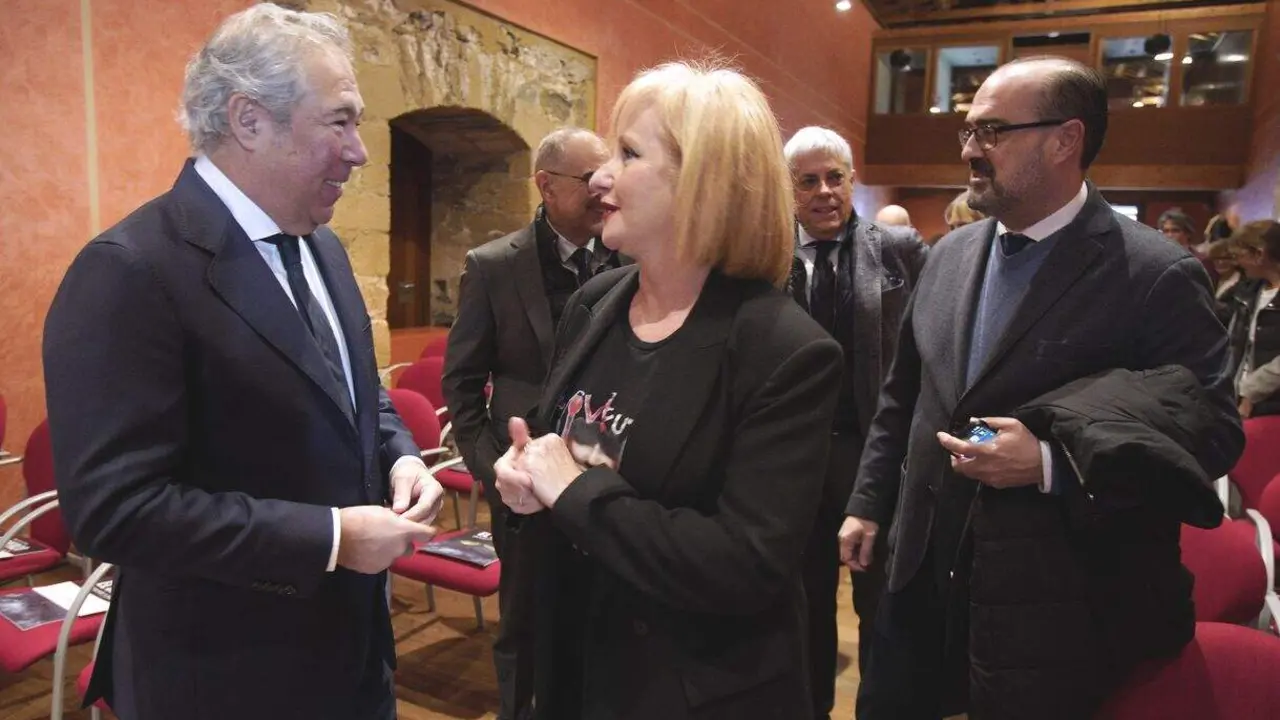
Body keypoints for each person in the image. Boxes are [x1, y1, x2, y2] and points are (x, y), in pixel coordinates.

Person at [41, 5, 445, 719]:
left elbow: (355, 394)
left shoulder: (322, 246)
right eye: (340, 121)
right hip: (223, 675)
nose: (359, 152)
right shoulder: (131, 269)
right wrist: (330, 538)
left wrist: (399, 455)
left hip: (352, 658)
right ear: (250, 120)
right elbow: (113, 510)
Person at [838, 56, 1241, 719]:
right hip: (919, 573)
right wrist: (869, 502)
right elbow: (902, 397)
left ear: (1064, 140)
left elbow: (1214, 433)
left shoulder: (1154, 273)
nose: (970, 149)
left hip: (1056, 603)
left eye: (991, 131)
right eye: (967, 131)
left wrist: (1055, 462)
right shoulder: (946, 256)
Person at [493, 61, 843, 719]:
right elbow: (561, 447)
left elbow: (745, 563)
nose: (601, 176)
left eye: (627, 153)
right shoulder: (596, 302)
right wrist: (526, 485)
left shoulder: (784, 350)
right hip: (574, 663)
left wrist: (572, 491)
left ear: (702, 183)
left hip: (685, 688)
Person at [442, 126, 621, 720]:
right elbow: (462, 385)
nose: (603, 191)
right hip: (519, 479)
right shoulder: (493, 266)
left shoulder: (627, 260)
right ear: (545, 185)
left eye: (607, 178)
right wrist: (490, 472)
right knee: (522, 624)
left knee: (599, 613)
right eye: (588, 180)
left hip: (602, 476)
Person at [782, 126, 926, 718]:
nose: (824, 191)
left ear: (851, 179)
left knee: (879, 603)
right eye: (808, 180)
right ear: (789, 189)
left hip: (874, 452)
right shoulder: (764, 253)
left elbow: (926, 353)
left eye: (835, 176)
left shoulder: (898, 248)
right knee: (804, 601)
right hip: (792, 458)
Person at [1228, 220, 1280, 418]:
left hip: (1271, 406)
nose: (1237, 263)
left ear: (1259, 254)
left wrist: (1250, 392)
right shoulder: (1248, 293)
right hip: (1240, 400)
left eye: (1240, 255)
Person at [1158, 207, 1216, 284]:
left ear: (1187, 233)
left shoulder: (1201, 260)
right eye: (1166, 231)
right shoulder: (1157, 260)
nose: (1169, 235)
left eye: (1175, 230)